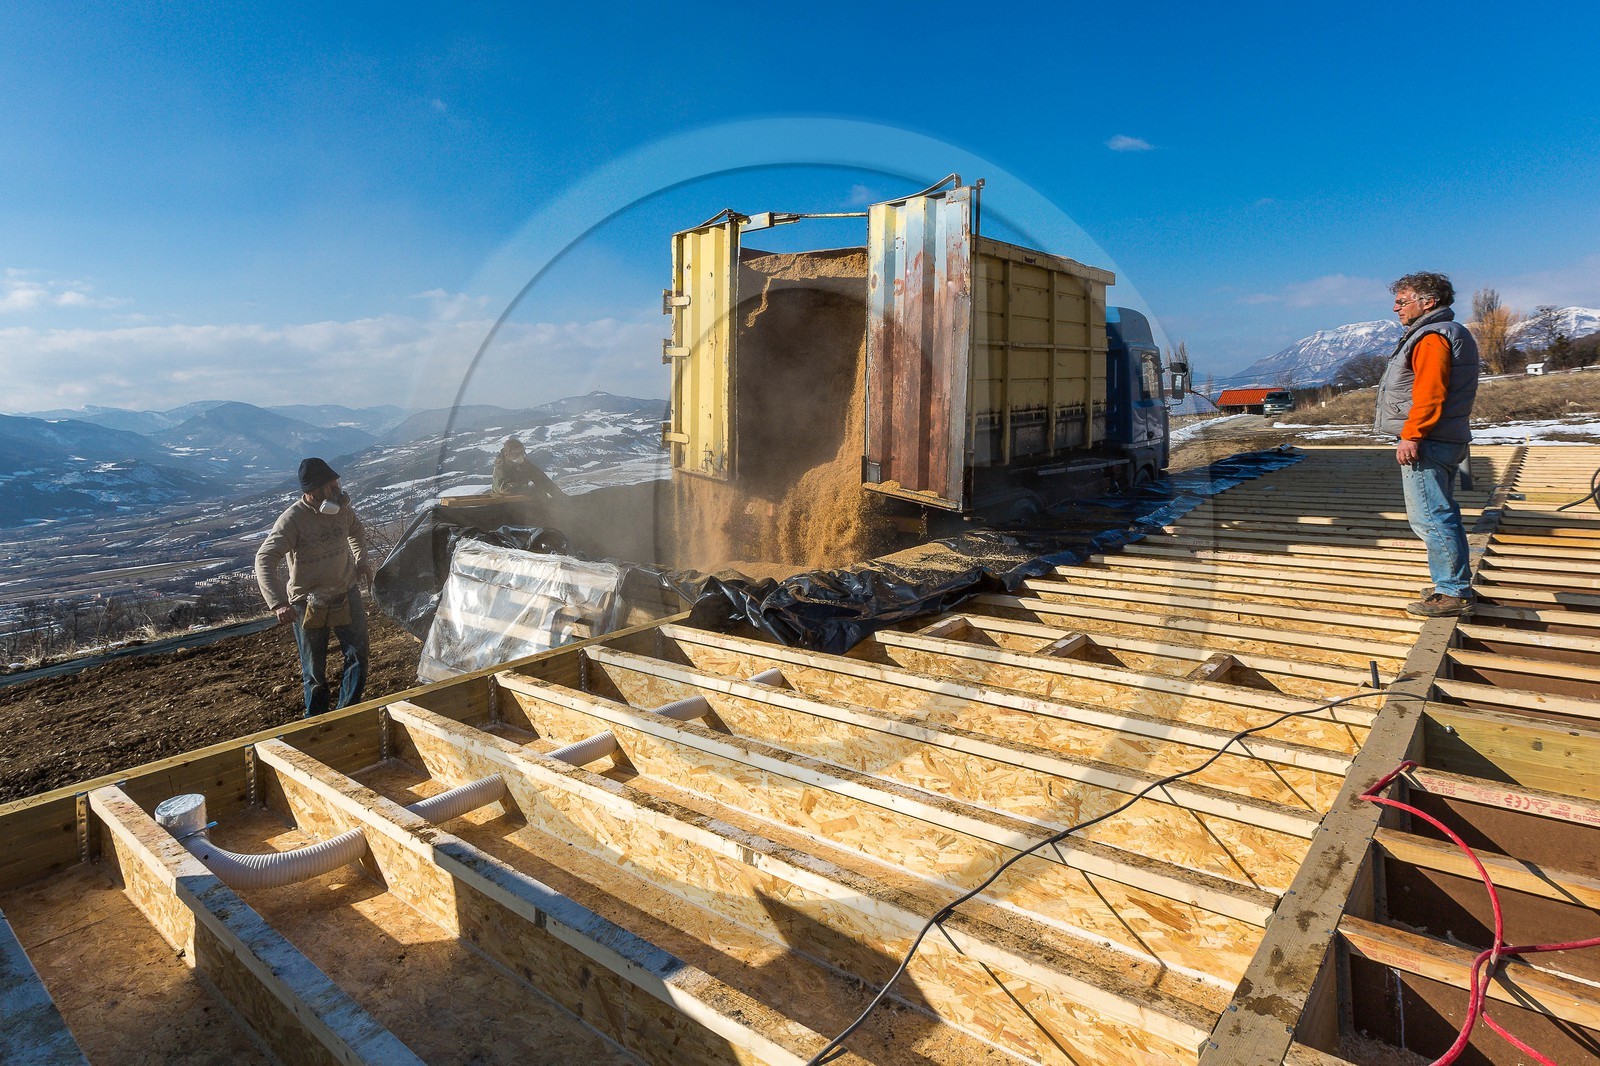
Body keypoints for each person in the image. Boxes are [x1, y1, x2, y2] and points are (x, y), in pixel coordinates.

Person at [1373, 272, 1480, 617]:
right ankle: (1451, 582)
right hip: (1446, 436)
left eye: (1402, 301)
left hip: (1429, 439)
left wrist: (1412, 435)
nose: (1396, 308)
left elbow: (1430, 393)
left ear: (1428, 302)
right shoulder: (1448, 332)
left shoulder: (1432, 337)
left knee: (1430, 517)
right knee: (1443, 511)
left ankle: (1452, 592)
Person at [254, 457, 372, 715]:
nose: (337, 491)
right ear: (311, 492)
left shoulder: (342, 510)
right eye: (330, 487)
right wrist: (278, 603)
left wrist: (361, 561)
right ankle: (315, 724)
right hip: (307, 602)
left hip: (345, 591)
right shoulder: (293, 520)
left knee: (358, 656)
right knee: (314, 671)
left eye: (336, 484)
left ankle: (347, 714)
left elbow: (356, 530)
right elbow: (264, 558)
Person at [492, 437, 565, 502]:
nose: (519, 456)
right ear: (507, 454)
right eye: (516, 453)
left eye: (521, 453)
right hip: (503, 504)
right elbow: (504, 488)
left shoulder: (524, 463)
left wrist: (559, 495)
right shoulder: (501, 467)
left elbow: (541, 479)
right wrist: (530, 489)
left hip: (522, 502)